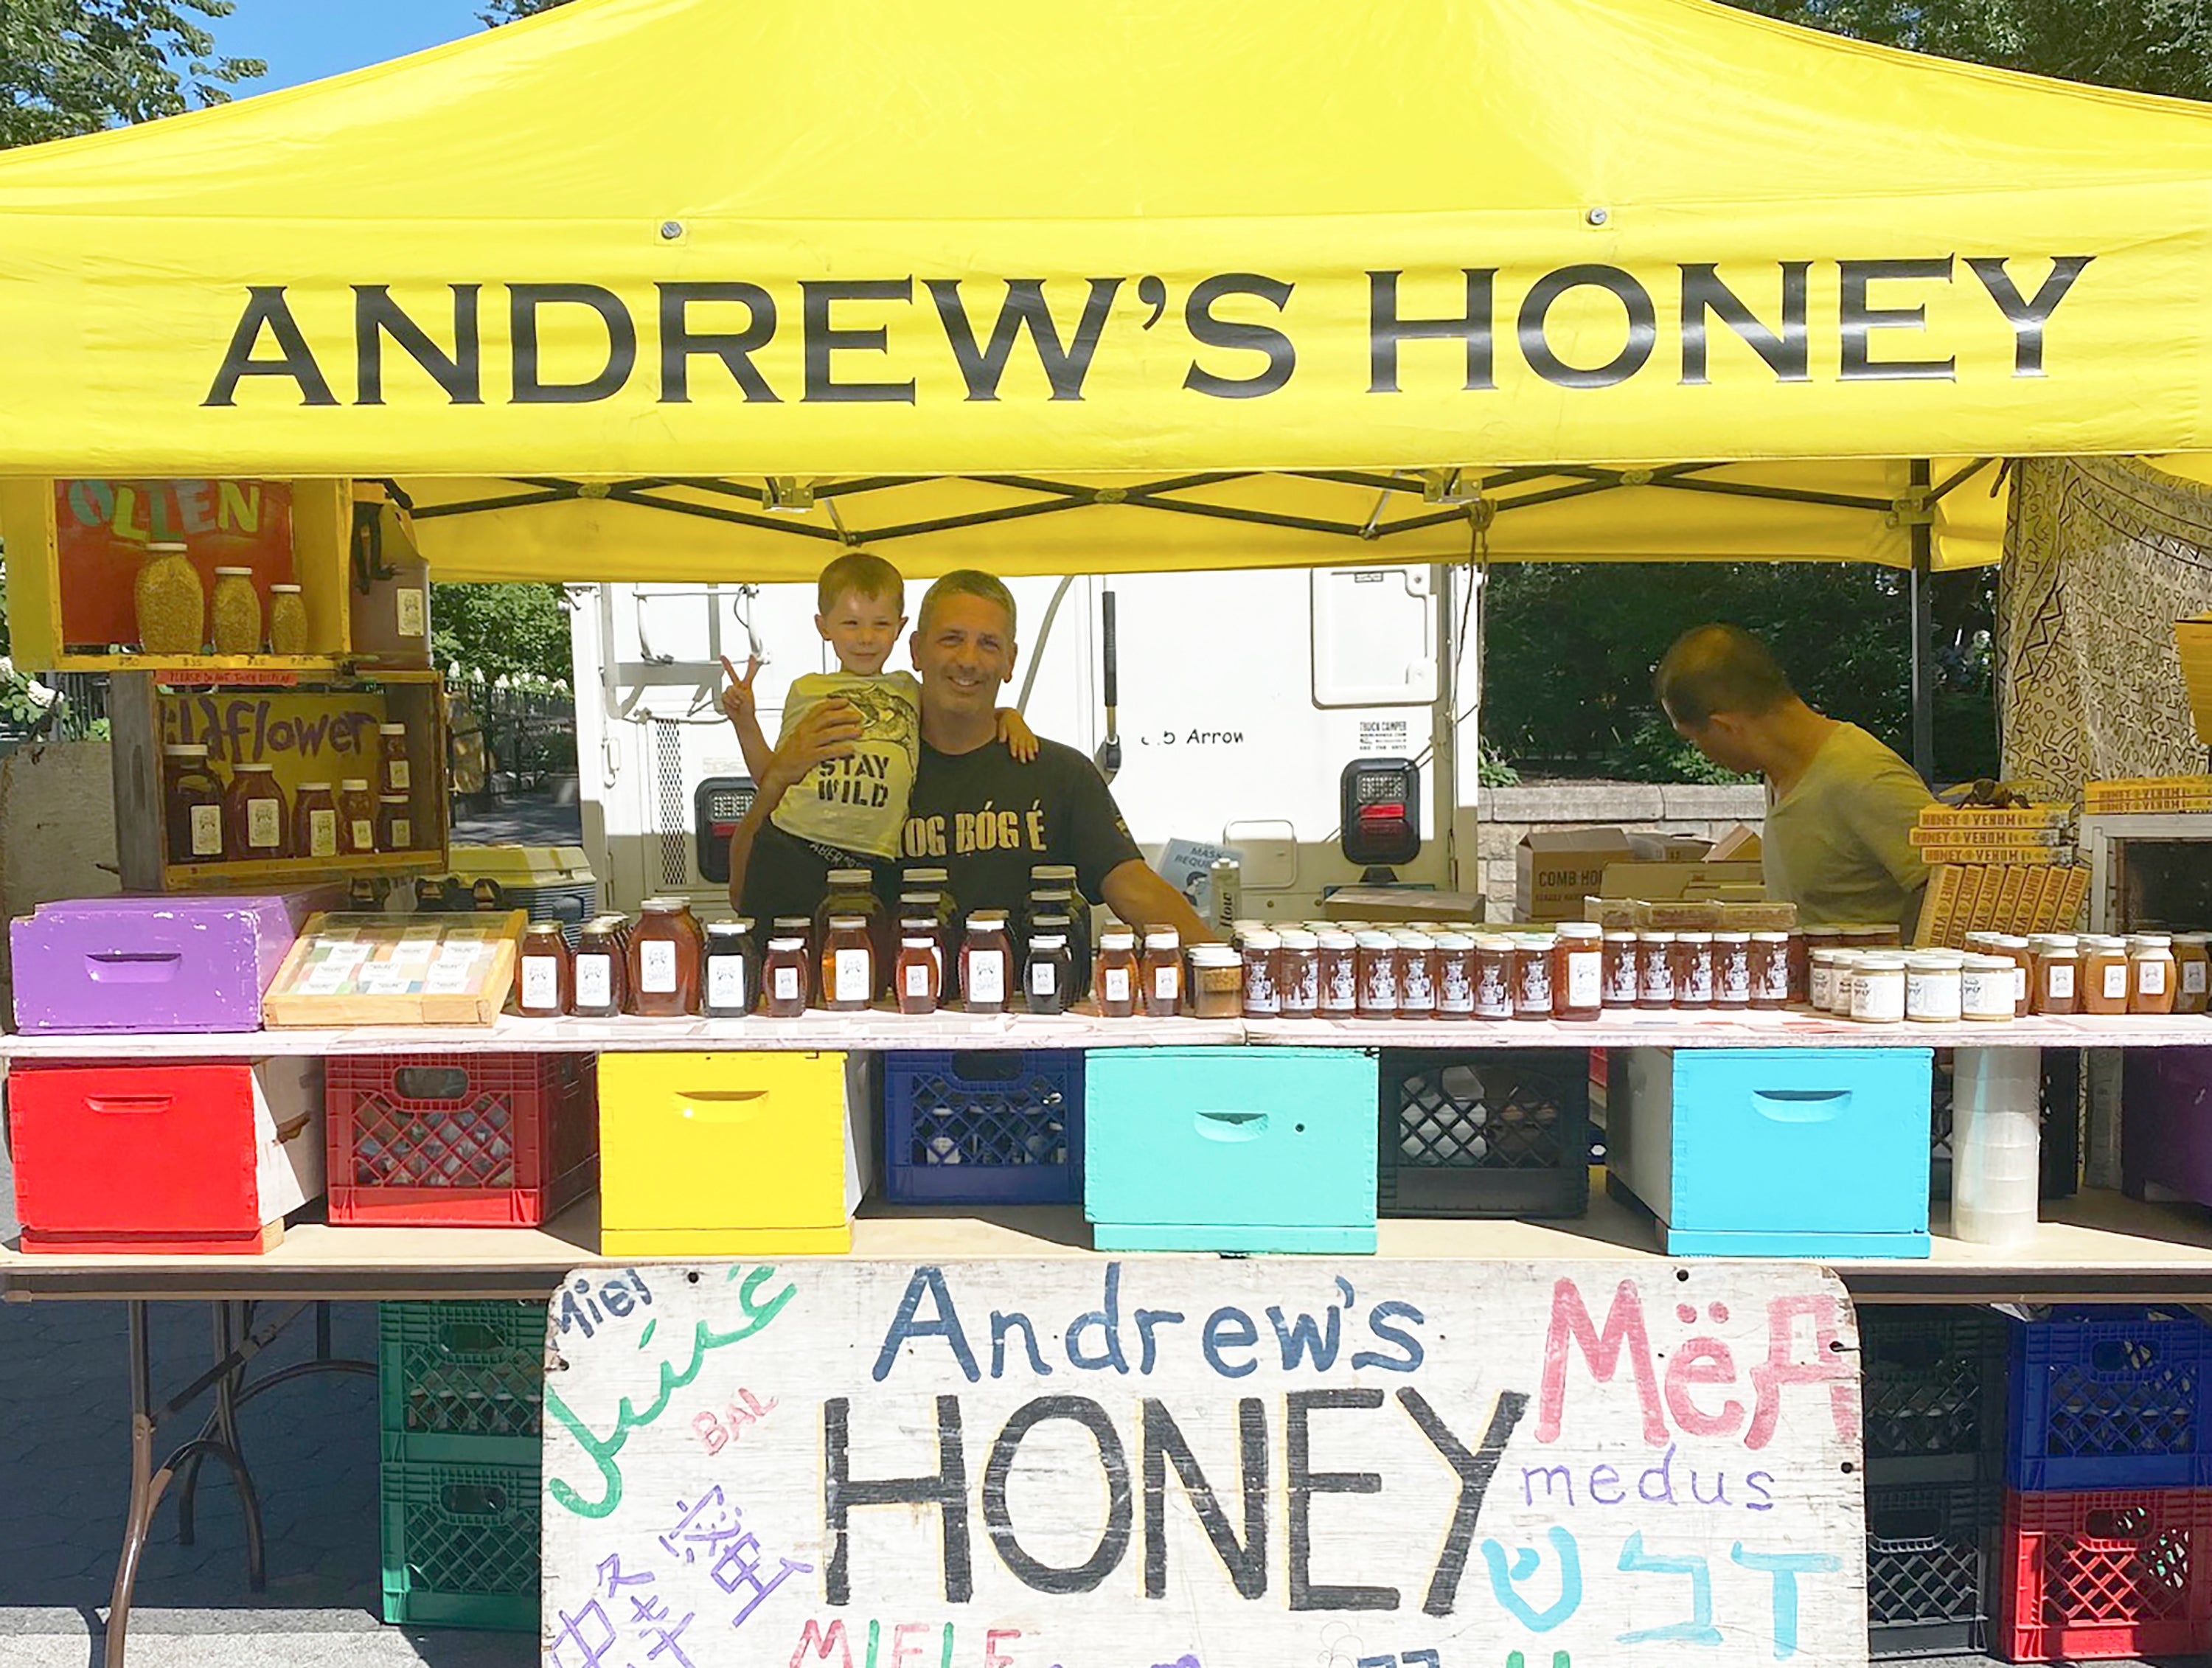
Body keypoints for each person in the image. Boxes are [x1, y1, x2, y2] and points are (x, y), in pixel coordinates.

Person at [728, 568, 1212, 943]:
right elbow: (744, 894)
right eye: (951, 639)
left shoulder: (1059, 775)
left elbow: (1131, 884)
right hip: (895, 1028)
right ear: (916, 651)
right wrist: (774, 782)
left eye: (988, 644)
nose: (968, 660)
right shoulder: (869, 762)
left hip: (1032, 1025)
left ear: (1009, 661)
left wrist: (1218, 959)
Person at [719, 551, 1035, 923]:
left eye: (880, 624)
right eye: (851, 624)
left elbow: (963, 707)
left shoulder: (906, 689)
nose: (866, 639)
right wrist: (745, 723)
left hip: (873, 863)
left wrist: (1010, 717)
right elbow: (772, 774)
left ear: (900, 630)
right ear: (824, 627)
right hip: (795, 843)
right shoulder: (807, 691)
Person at [1655, 623, 1933, 934]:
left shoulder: (1864, 777)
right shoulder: (1779, 775)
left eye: (1694, 740)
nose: (1700, 752)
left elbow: (1954, 891)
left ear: (1725, 728)